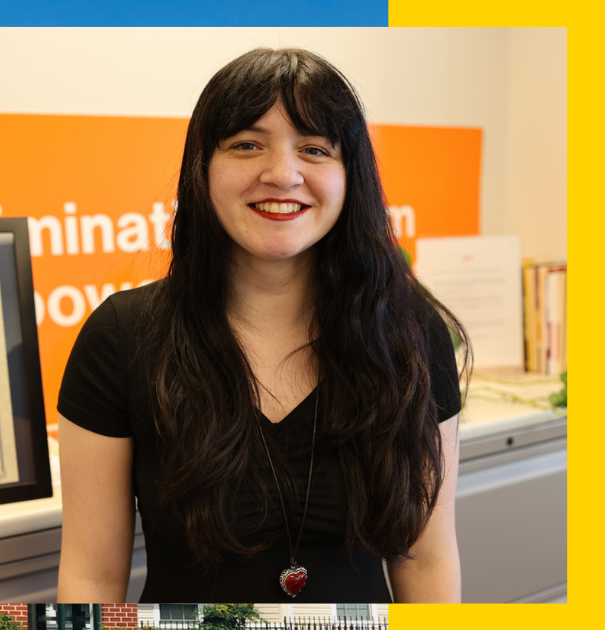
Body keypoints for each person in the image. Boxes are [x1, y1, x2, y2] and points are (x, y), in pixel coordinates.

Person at [55, 48, 469, 604]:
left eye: (315, 149)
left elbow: (428, 560)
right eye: (247, 144)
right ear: (202, 168)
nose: (282, 174)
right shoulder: (120, 338)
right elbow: (91, 578)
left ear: (351, 178)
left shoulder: (412, 335)